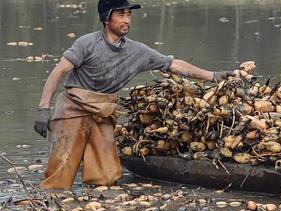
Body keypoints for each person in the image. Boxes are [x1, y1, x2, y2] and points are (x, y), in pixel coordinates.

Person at [33, 0, 236, 191]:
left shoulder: (136, 51)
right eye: (121, 14)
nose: (127, 19)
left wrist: (213, 75)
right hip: (73, 108)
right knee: (60, 174)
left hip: (102, 112)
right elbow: (58, 72)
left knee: (107, 178)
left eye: (129, 14)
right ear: (106, 18)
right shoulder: (87, 44)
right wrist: (43, 108)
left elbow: (174, 65)